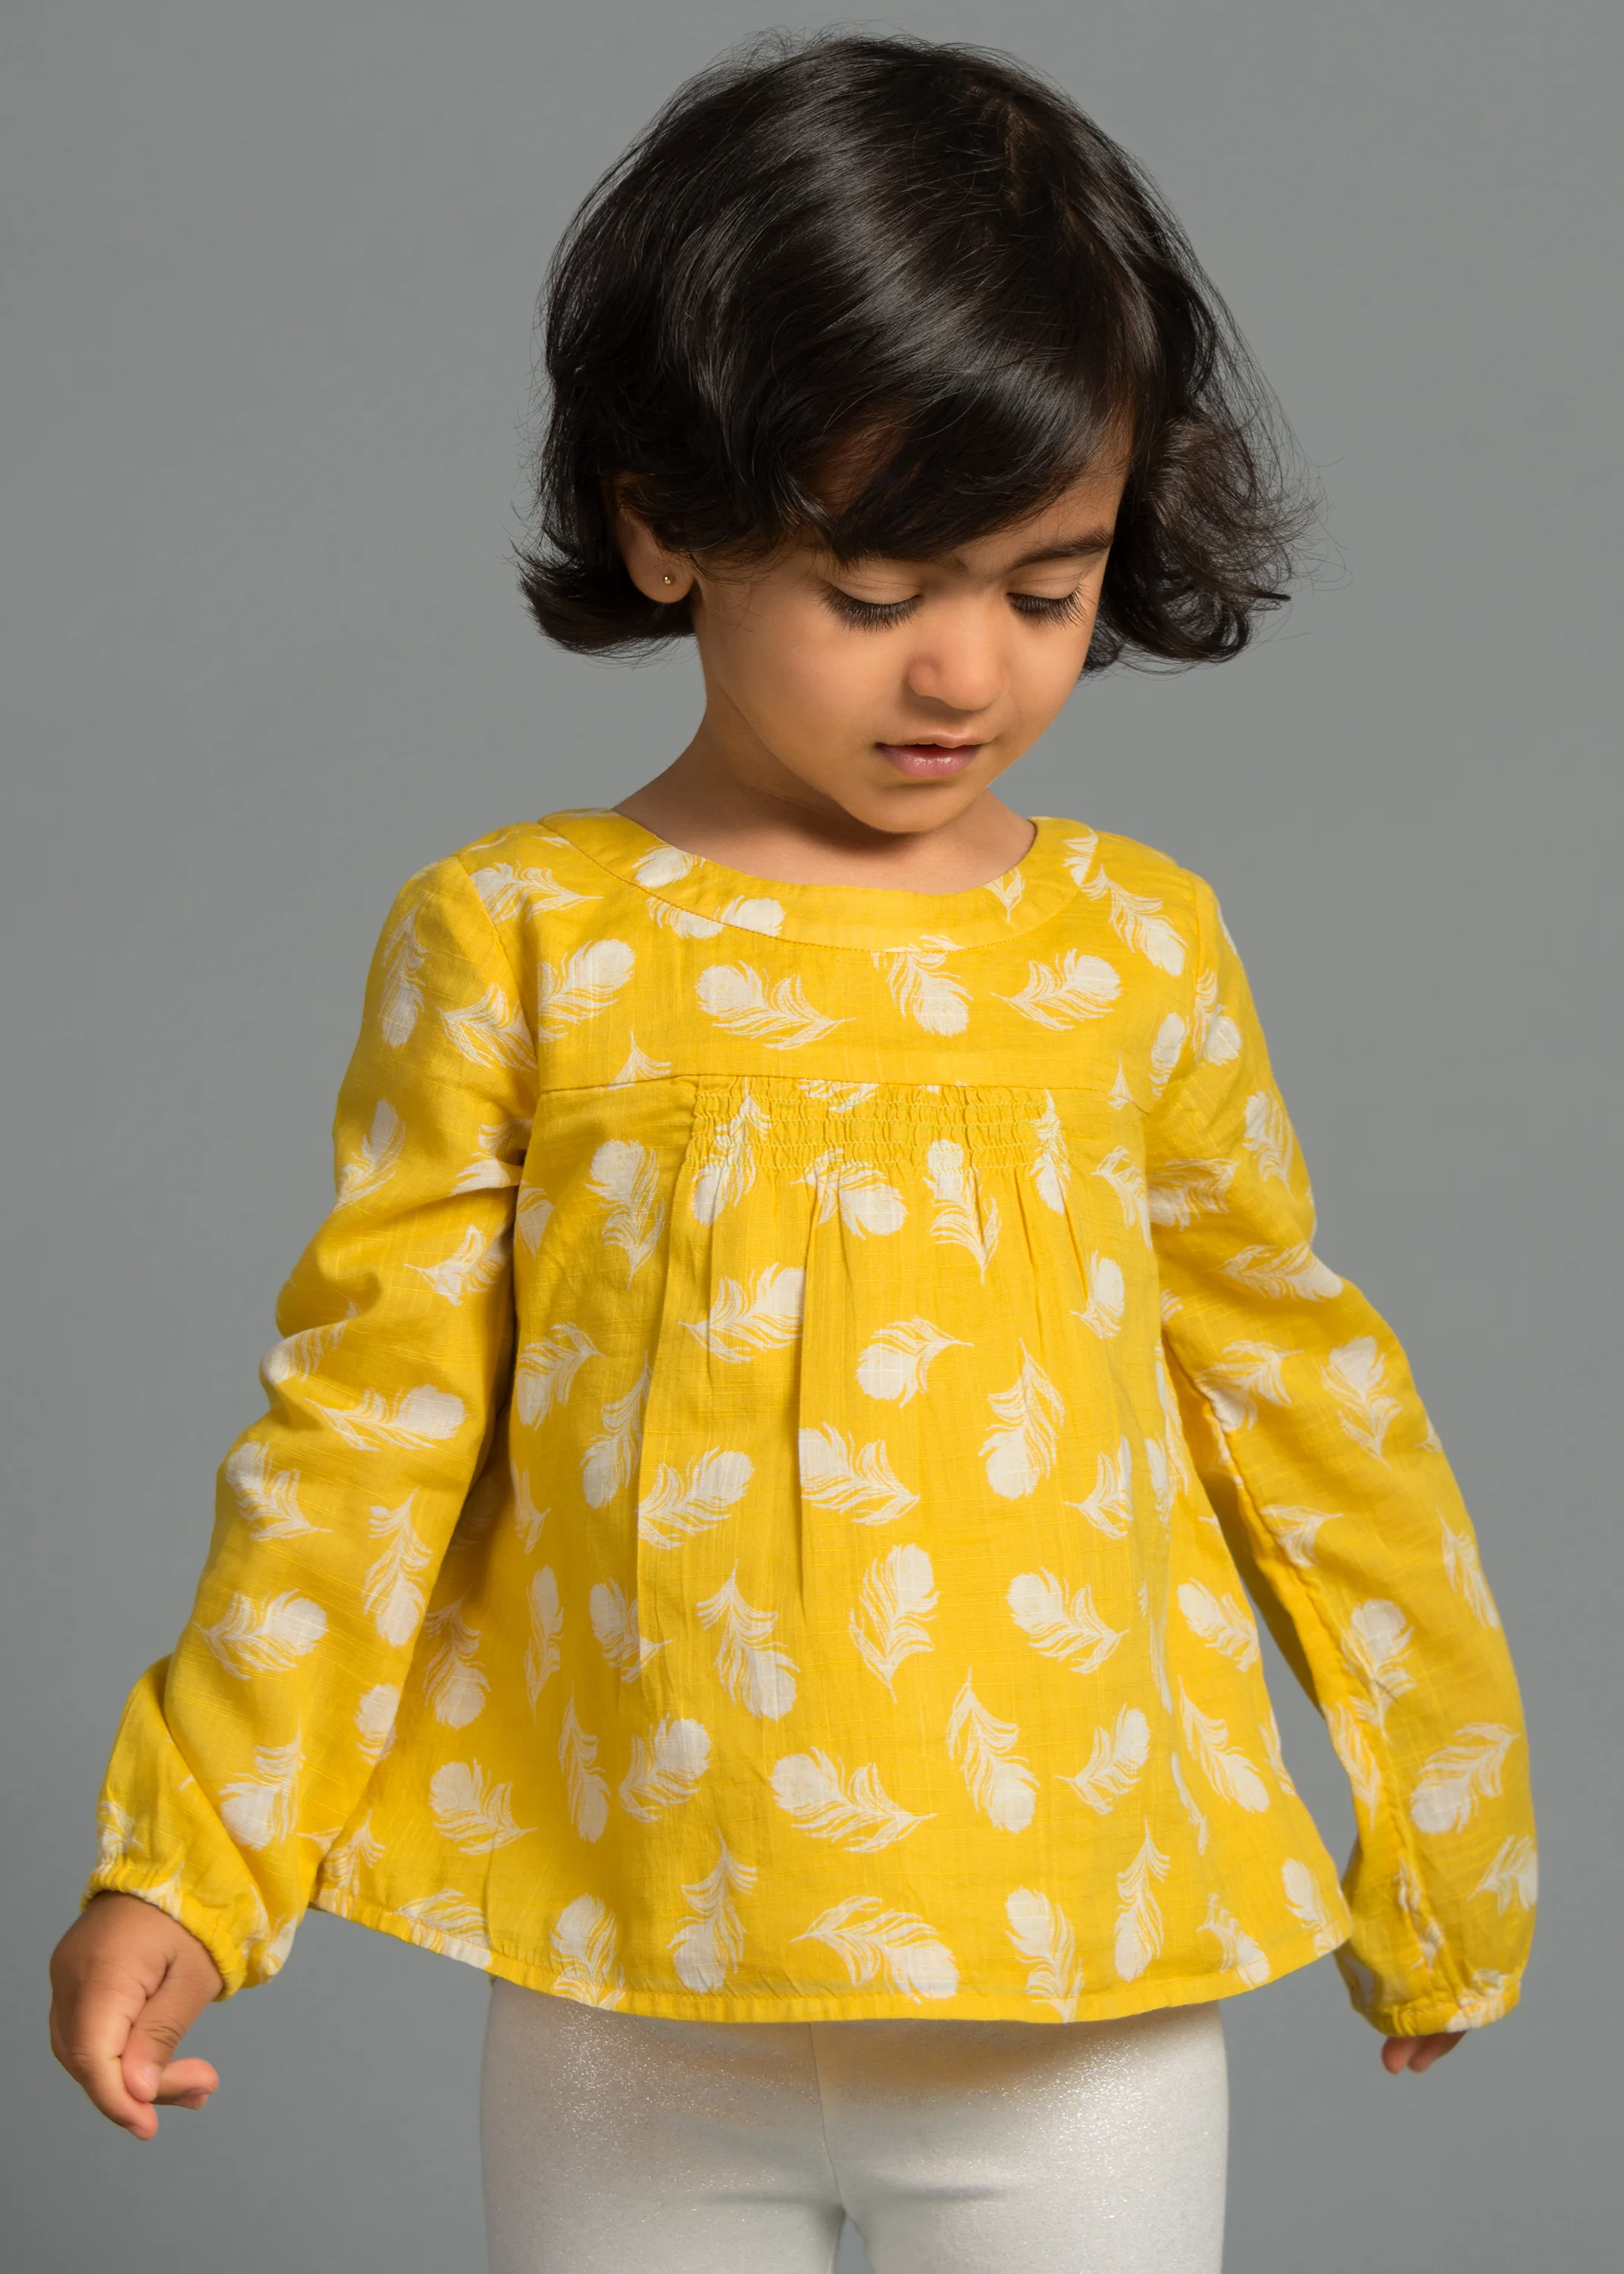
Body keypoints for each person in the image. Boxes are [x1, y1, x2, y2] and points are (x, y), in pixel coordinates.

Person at [49, 31, 1536, 2274]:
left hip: (1077, 2014)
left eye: (1045, 587)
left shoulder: (1133, 951)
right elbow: (366, 1432)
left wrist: (1445, 1841)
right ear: (664, 518)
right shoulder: (522, 939)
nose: (965, 673)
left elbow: (1298, 1402)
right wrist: (191, 1858)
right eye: (874, 591)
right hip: (628, 1999)